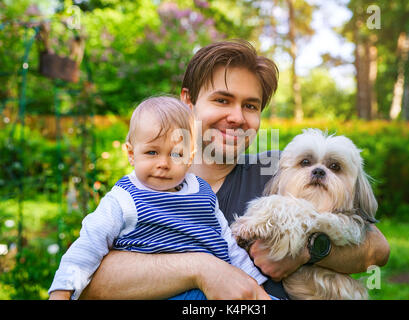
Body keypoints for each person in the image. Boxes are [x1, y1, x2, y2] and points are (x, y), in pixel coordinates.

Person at [50, 39, 390, 300]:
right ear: (188, 101)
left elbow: (376, 249)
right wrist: (201, 268)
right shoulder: (150, 180)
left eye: (250, 106)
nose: (237, 117)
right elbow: (93, 281)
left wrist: (306, 251)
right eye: (222, 100)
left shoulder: (279, 169)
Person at [48, 96, 271, 300]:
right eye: (152, 152)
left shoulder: (202, 192)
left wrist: (255, 285)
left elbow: (228, 243)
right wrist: (61, 292)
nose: (163, 163)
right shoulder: (124, 199)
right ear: (131, 154)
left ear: (189, 157)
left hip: (213, 290)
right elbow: (88, 245)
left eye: (176, 154)